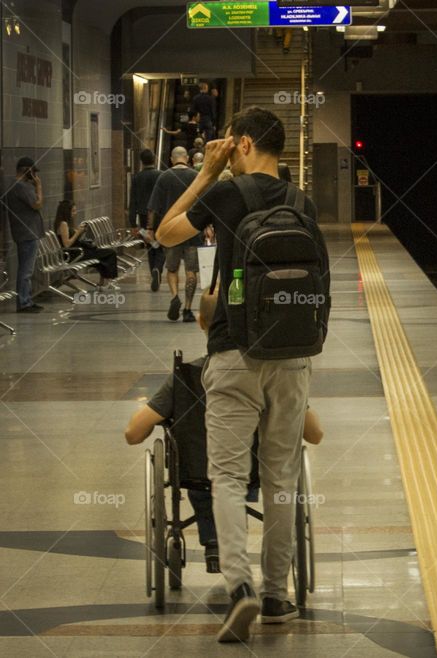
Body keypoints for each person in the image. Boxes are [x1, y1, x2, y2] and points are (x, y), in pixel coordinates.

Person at [157, 106, 320, 643]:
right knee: (282, 478)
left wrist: (206, 173)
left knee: (226, 477)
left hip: (232, 353)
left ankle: (240, 589)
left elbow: (166, 233)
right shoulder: (303, 202)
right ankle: (277, 595)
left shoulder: (228, 194)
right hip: (293, 356)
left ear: (243, 144)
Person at [123, 291, 324, 573]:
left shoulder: (186, 377)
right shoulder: (274, 375)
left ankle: (215, 543)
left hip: (196, 471)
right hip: (256, 472)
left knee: (215, 474)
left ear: (202, 322)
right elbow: (314, 434)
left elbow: (133, 433)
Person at [147, 147, 200, 323]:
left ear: (171, 159)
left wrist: (150, 228)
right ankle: (187, 309)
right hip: (192, 229)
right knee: (191, 271)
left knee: (172, 269)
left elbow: (153, 207)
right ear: (188, 158)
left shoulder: (164, 177)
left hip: (170, 232)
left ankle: (175, 296)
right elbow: (204, 203)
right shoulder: (195, 177)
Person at [3, 157, 45, 312]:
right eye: (33, 172)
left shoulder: (16, 186)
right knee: (26, 270)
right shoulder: (21, 187)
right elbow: (37, 204)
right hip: (28, 232)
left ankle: (26, 299)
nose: (35, 176)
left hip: (24, 232)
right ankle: (24, 302)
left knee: (26, 269)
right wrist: (39, 186)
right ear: (27, 170)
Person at [54, 201, 119, 287]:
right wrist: (78, 233)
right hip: (74, 254)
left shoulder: (65, 223)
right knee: (110, 253)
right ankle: (108, 280)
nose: (75, 213)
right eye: (73, 211)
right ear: (66, 211)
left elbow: (71, 239)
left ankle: (105, 280)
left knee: (104, 254)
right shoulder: (63, 224)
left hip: (77, 251)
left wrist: (80, 232)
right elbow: (67, 244)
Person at [128, 149, 164, 291]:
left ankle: (153, 271)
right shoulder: (161, 175)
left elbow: (133, 202)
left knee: (150, 246)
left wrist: (133, 223)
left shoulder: (136, 178)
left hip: (143, 217)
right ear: (154, 159)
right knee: (161, 244)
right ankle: (157, 269)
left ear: (141, 162)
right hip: (160, 215)